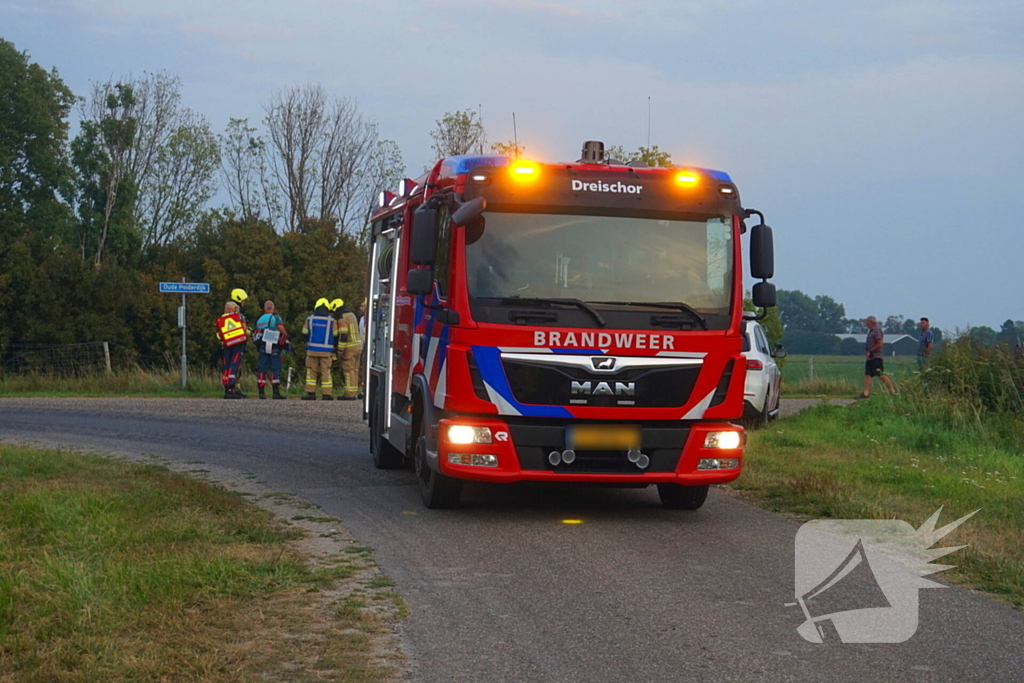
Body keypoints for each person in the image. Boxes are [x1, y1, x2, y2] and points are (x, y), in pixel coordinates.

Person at [302, 298, 336, 400]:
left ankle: (310, 393)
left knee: (311, 372)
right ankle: (326, 394)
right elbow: (336, 335)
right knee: (326, 372)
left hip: (312, 350)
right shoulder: (331, 320)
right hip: (326, 352)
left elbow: (304, 333)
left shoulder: (310, 319)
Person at [254, 300, 288, 400]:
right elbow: (281, 329)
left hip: (263, 345)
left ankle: (261, 392)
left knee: (262, 368)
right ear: (273, 308)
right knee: (275, 368)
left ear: (264, 309)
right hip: (274, 345)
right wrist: (286, 337)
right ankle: (276, 392)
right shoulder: (276, 318)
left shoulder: (260, 319)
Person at [330, 298, 362, 400]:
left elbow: (343, 335)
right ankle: (353, 392)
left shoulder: (342, 318)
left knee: (348, 371)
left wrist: (339, 350)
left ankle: (349, 394)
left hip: (349, 348)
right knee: (354, 370)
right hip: (358, 346)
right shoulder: (351, 315)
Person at [858, 315, 896, 398]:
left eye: (867, 322)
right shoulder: (871, 331)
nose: (866, 324)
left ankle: (892, 391)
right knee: (868, 374)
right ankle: (865, 393)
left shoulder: (877, 331)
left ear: (871, 322)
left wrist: (871, 351)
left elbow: (879, 344)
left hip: (876, 357)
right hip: (870, 357)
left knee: (880, 374)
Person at [216, 300, 248, 399]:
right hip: (238, 343)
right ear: (234, 308)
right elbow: (244, 329)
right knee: (234, 365)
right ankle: (231, 387)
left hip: (226, 344)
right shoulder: (238, 316)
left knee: (227, 365)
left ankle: (227, 389)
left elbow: (219, 333)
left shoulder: (221, 318)